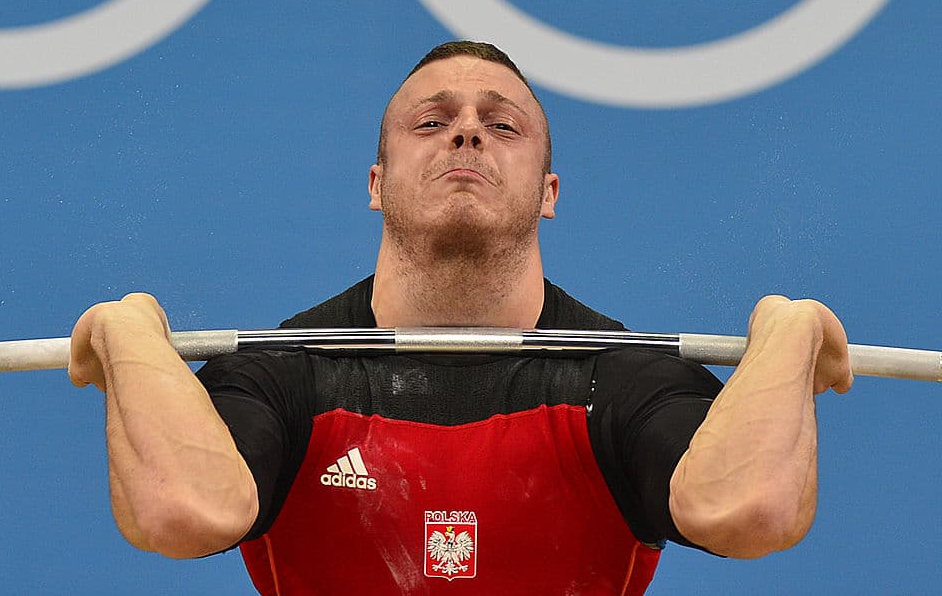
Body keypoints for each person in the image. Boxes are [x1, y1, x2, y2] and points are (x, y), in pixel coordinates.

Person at [69, 41, 853, 595]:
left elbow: (750, 513)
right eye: (432, 121)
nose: (468, 130)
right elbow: (181, 513)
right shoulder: (283, 371)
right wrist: (131, 330)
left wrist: (788, 330)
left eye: (502, 125)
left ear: (548, 192)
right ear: (377, 183)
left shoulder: (623, 377)